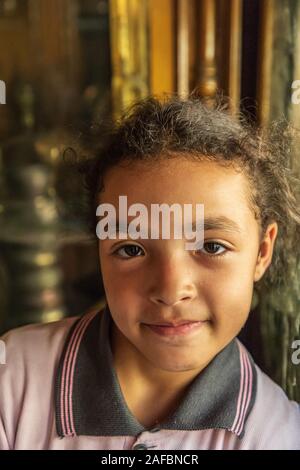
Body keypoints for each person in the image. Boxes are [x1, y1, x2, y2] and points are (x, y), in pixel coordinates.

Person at [1, 95, 300, 450]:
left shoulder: (276, 434)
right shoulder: (12, 381)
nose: (171, 290)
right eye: (131, 249)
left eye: (211, 246)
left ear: (262, 251)